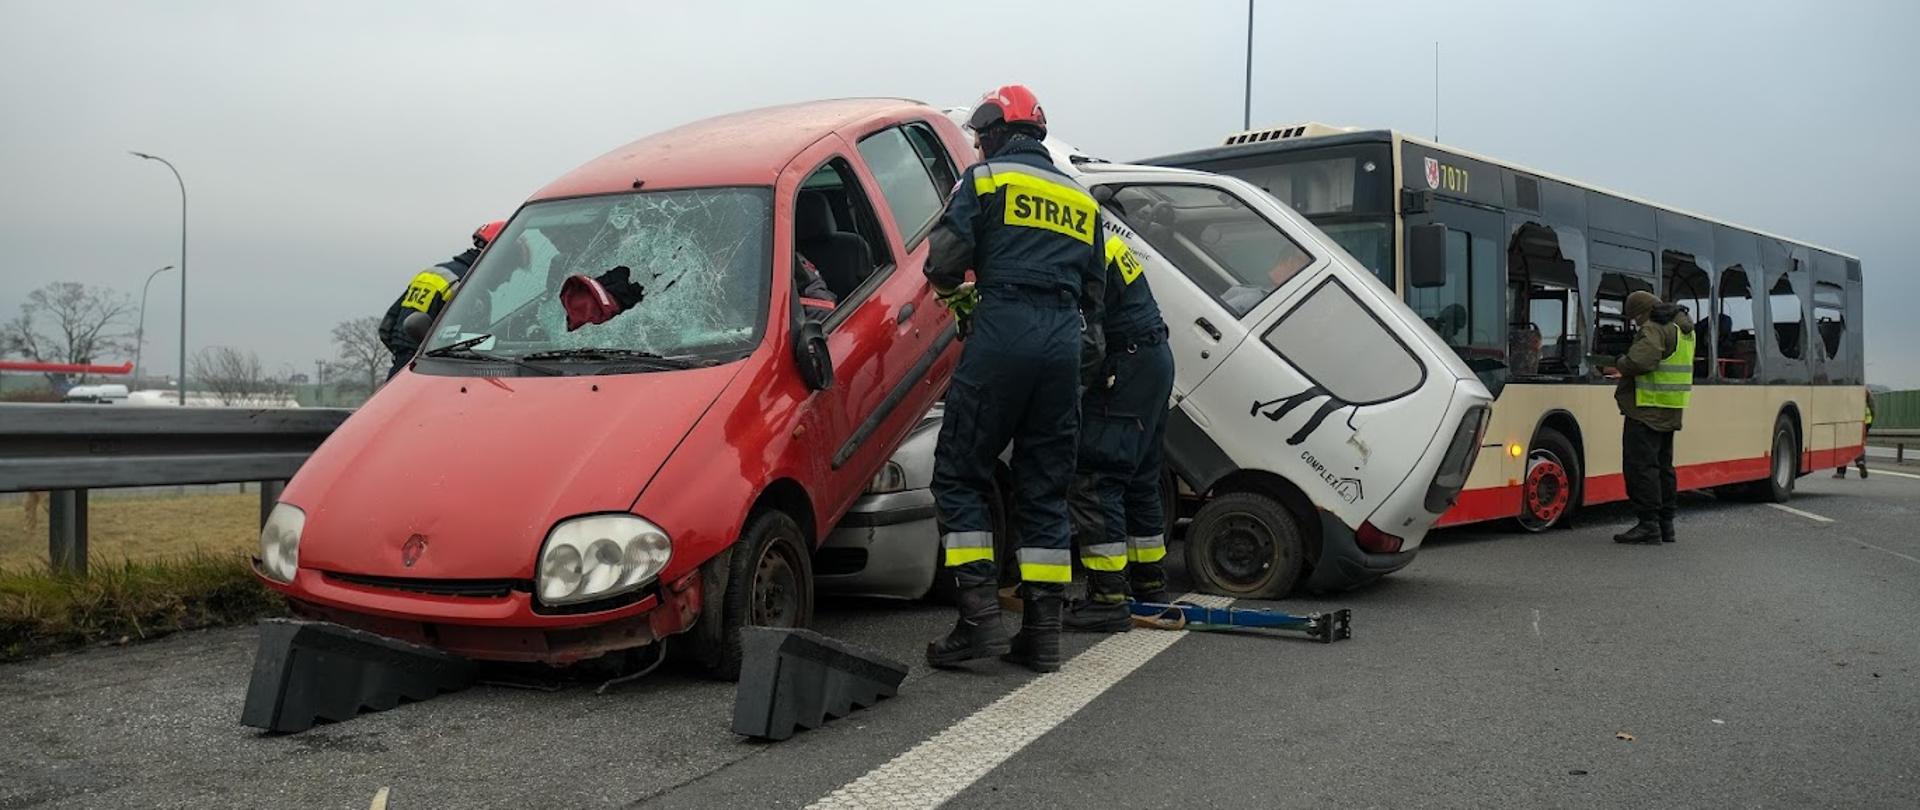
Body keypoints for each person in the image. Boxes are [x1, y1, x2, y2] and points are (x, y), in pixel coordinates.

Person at [923, 84, 1106, 673]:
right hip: (1062, 342)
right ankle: (1043, 634)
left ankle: (978, 622)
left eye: (981, 137)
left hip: (1003, 330)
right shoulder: (1080, 199)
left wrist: (960, 299)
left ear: (994, 133)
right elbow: (1096, 293)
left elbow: (943, 262)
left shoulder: (984, 181)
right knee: (1046, 487)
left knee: (959, 473)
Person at [1062, 224, 1177, 633]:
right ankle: (1150, 588)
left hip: (1124, 363)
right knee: (1141, 479)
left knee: (1097, 477)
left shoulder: (1074, 246)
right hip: (1153, 358)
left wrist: (1069, 390)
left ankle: (1107, 597)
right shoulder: (1098, 236)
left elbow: (1089, 338)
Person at [1609, 290, 1695, 544]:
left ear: (1644, 311)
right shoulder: (1682, 328)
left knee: (1641, 467)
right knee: (1663, 467)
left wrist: (1620, 362)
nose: (1635, 322)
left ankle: (1648, 525)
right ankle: (1666, 524)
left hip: (1646, 409)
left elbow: (1640, 361)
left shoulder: (1654, 328)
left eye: (1635, 316)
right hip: (1670, 408)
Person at [378, 221, 504, 379]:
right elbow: (475, 347)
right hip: (436, 376)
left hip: (400, 373)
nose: (506, 279)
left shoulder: (431, 273)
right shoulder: (471, 288)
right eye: (509, 267)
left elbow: (386, 328)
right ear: (499, 257)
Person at [1836, 390, 1875, 478]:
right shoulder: (1866, 392)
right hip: (1864, 423)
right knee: (1858, 444)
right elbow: (1872, 409)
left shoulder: (1847, 393)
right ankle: (1860, 461)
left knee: (1843, 446)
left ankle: (1841, 472)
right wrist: (1869, 425)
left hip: (1849, 422)